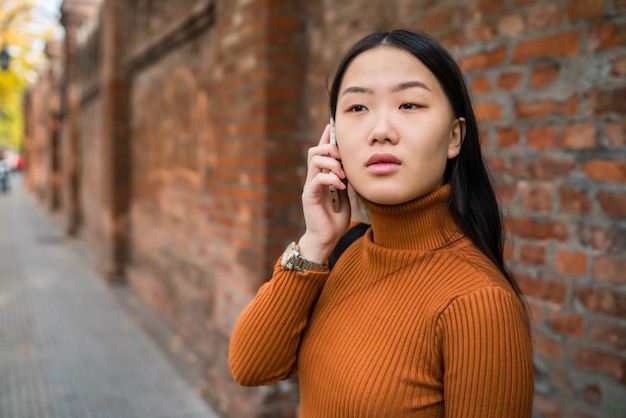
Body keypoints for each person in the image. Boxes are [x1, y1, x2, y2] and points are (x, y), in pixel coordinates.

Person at [229, 29, 534, 417]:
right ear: (333, 137)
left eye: (409, 104)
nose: (381, 131)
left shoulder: (479, 303)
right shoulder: (343, 254)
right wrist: (315, 243)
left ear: (455, 137)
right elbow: (252, 367)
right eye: (358, 108)